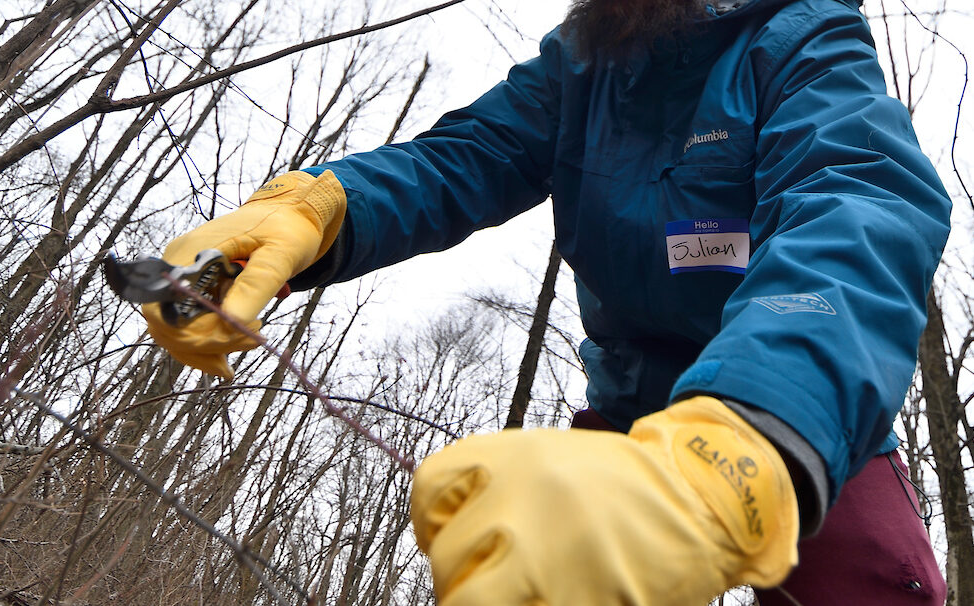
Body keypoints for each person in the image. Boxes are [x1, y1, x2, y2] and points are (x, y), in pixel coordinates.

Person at [141, 0, 952, 603]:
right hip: (630, 401)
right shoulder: (580, 63)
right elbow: (465, 156)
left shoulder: (803, 34)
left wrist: (750, 441)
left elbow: (858, 202)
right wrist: (322, 209)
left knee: (885, 582)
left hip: (795, 402)